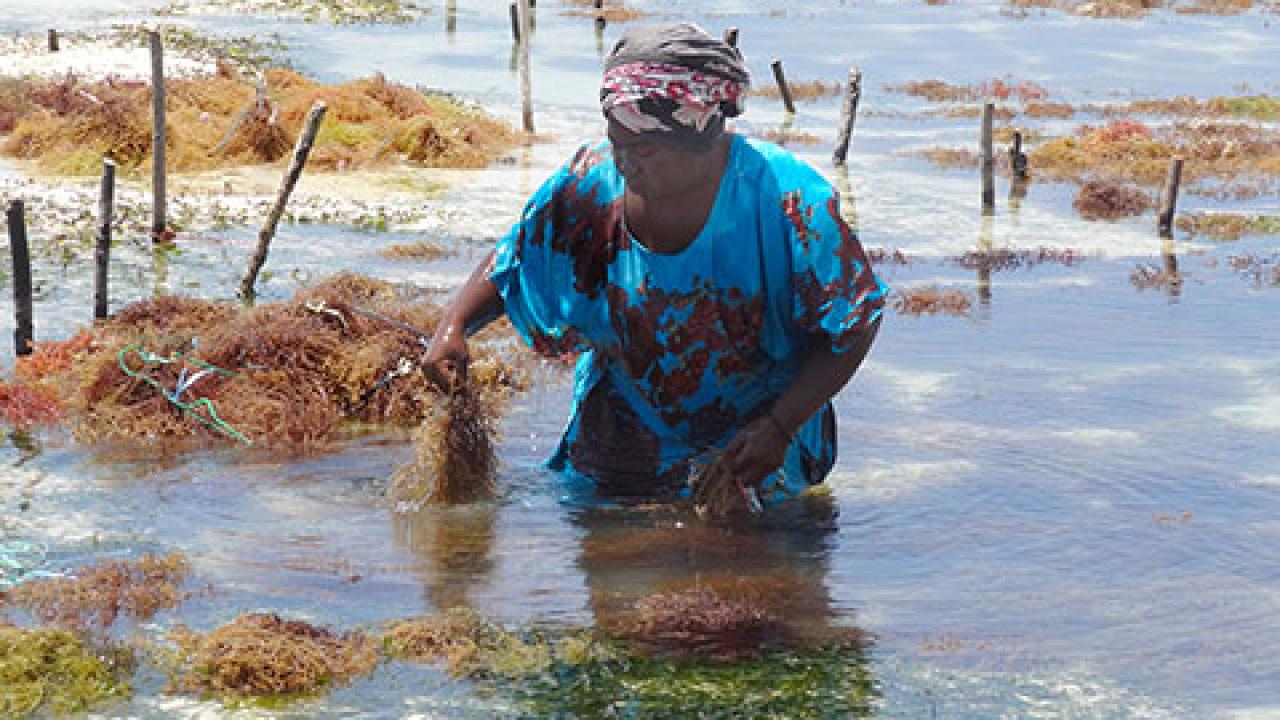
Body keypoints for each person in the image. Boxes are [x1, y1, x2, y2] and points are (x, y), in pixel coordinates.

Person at [424, 22, 887, 512]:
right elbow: (515, 258)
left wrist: (779, 426)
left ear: (706, 134)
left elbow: (856, 322)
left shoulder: (789, 202)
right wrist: (454, 326)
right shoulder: (589, 184)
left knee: (754, 571)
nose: (624, 162)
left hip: (755, 433)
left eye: (644, 149)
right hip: (623, 425)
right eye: (616, 141)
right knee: (612, 565)